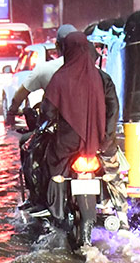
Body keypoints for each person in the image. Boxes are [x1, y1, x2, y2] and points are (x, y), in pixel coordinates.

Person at [26, 31, 119, 217]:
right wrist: (106, 137)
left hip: (67, 143)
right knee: (116, 173)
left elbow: (48, 111)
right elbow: (114, 109)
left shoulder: (60, 78)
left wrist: (40, 126)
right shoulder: (103, 78)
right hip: (101, 142)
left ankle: (48, 206)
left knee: (43, 160)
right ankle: (119, 210)